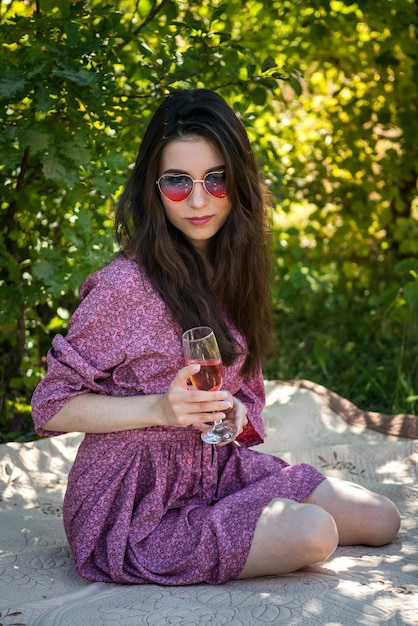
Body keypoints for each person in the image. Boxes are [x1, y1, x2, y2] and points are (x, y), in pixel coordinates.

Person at [31, 88, 400, 586]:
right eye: (178, 182)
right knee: (314, 533)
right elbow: (51, 405)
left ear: (238, 181)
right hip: (134, 503)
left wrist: (237, 413)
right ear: (152, 188)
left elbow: (244, 394)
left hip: (214, 470)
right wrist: (161, 409)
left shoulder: (232, 272)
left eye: (217, 179)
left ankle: (238, 518)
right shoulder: (125, 287)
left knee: (380, 519)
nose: (199, 200)